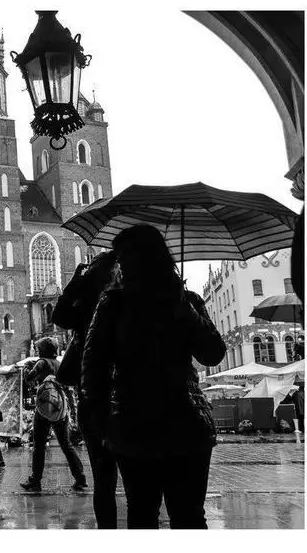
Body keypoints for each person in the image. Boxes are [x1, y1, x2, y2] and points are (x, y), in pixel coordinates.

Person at [81, 224, 226, 529]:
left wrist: (183, 307)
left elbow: (212, 352)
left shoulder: (182, 300)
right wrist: (103, 423)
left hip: (169, 423)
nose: (121, 264)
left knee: (161, 516)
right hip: (147, 425)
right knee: (164, 516)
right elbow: (93, 369)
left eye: (125, 256)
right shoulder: (115, 304)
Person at [52, 251, 120, 528]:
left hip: (94, 398)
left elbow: (59, 314)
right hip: (128, 398)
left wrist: (75, 283)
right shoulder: (131, 299)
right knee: (142, 488)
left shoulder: (88, 306)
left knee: (104, 483)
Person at [20, 337, 87, 493]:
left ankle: (35, 481)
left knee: (39, 445)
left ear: (43, 350)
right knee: (66, 444)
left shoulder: (42, 363)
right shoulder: (60, 364)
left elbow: (29, 377)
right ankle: (81, 478)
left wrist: (27, 369)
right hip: (60, 408)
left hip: (44, 408)